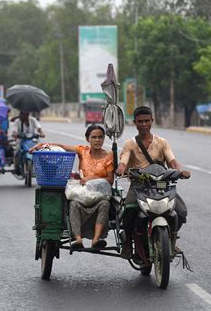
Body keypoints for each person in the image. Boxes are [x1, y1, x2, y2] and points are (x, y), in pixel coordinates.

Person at [115, 106, 191, 259]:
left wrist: (181, 171)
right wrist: (121, 169)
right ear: (135, 123)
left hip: (161, 184)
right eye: (140, 121)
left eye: (147, 121)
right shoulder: (130, 144)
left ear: (152, 121)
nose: (144, 124)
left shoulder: (162, 142)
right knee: (128, 210)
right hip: (139, 186)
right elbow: (123, 162)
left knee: (180, 211)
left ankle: (171, 239)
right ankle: (128, 243)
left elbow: (172, 161)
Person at [30, 125, 114, 249]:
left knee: (105, 205)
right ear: (87, 139)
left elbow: (110, 179)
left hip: (99, 196)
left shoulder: (108, 156)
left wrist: (91, 178)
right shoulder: (83, 151)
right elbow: (62, 147)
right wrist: (41, 145)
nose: (97, 140)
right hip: (82, 195)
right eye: (94, 137)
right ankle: (78, 240)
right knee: (73, 204)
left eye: (100, 137)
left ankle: (96, 240)